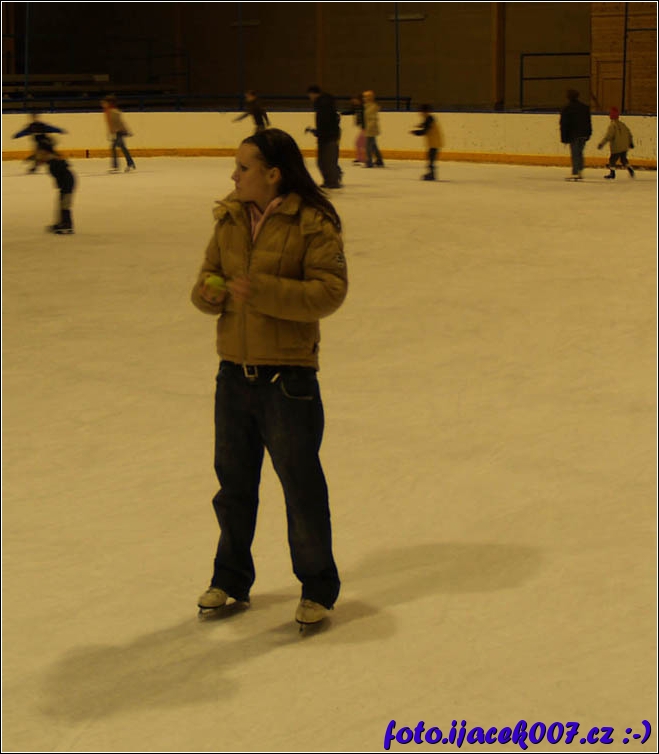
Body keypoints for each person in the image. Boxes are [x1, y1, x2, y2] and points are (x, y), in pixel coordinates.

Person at [190, 128, 348, 627]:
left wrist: (261, 290)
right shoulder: (230, 218)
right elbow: (204, 279)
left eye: (243, 167)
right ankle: (230, 578)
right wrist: (208, 295)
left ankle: (317, 586)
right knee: (233, 487)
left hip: (288, 380)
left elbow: (329, 291)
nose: (234, 175)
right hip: (233, 374)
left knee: (301, 489)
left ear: (273, 174)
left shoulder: (312, 222)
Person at [34, 141, 76, 234]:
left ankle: (67, 225)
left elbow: (64, 171)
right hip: (65, 184)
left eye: (40, 153)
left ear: (46, 152)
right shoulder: (52, 160)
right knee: (62, 203)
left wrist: (64, 188)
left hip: (67, 184)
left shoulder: (53, 162)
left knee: (65, 204)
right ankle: (62, 223)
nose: (39, 155)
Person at [306, 84, 342, 188]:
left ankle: (332, 181)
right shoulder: (324, 104)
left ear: (312, 94)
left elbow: (325, 122)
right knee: (324, 161)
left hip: (328, 137)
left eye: (309, 95)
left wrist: (318, 132)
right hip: (328, 136)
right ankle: (331, 180)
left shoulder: (323, 105)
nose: (310, 98)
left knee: (326, 161)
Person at [559, 89, 592, 180]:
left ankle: (575, 172)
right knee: (580, 152)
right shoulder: (584, 107)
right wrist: (589, 133)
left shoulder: (567, 108)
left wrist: (564, 137)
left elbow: (564, 124)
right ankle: (580, 170)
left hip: (573, 134)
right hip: (583, 134)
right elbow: (588, 122)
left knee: (575, 153)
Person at [597, 106, 635, 180]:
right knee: (623, 159)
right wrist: (631, 143)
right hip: (624, 146)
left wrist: (602, 144)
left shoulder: (612, 125)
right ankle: (630, 168)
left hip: (616, 147)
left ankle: (612, 173)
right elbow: (629, 134)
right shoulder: (622, 124)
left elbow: (608, 136)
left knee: (612, 160)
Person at [101, 95, 136, 173]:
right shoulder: (109, 111)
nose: (104, 103)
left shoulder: (114, 112)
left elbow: (120, 123)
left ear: (110, 103)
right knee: (123, 148)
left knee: (114, 147)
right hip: (117, 132)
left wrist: (124, 131)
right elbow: (111, 124)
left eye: (106, 102)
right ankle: (130, 164)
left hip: (119, 132)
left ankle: (116, 166)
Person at [410, 104, 444, 181]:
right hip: (434, 142)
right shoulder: (429, 118)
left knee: (431, 159)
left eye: (421, 111)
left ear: (425, 112)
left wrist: (415, 132)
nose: (420, 113)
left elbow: (425, 131)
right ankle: (431, 174)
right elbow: (426, 125)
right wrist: (421, 125)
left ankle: (432, 175)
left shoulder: (429, 118)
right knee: (430, 159)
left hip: (434, 142)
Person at [341, 94, 366, 165]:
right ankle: (361, 158)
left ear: (358, 100)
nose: (353, 101)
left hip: (366, 128)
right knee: (362, 143)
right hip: (363, 127)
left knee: (359, 143)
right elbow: (351, 111)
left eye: (354, 99)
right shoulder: (357, 107)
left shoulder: (363, 107)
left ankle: (362, 158)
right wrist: (342, 113)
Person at [362, 90, 384, 168]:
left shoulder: (373, 107)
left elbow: (373, 119)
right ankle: (379, 160)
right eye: (364, 96)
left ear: (371, 97)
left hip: (371, 129)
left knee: (368, 146)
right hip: (369, 128)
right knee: (373, 145)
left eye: (366, 96)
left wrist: (369, 128)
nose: (364, 98)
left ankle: (369, 162)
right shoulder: (366, 106)